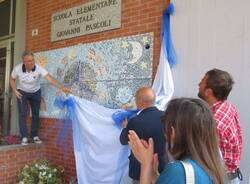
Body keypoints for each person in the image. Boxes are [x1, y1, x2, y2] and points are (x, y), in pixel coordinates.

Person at [128, 98, 226, 184]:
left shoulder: (179, 171)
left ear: (173, 132)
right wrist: (153, 174)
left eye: (164, 121)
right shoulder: (212, 163)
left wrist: (146, 165)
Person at [10, 51, 71, 145]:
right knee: (22, 113)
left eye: (33, 60)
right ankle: (24, 137)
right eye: (29, 61)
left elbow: (50, 79)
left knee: (35, 113)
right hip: (22, 92)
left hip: (35, 92)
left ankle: (34, 136)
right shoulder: (17, 69)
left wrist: (62, 87)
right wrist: (15, 90)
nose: (32, 62)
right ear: (24, 61)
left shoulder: (38, 68)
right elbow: (12, 79)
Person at [198, 69, 243, 183]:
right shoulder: (227, 106)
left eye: (202, 81)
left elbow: (207, 157)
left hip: (221, 179)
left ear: (208, 92)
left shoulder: (213, 122)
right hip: (230, 177)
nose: (198, 84)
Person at [119, 87, 168, 183]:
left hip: (140, 173)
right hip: (163, 170)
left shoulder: (135, 121)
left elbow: (123, 140)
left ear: (139, 101)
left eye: (135, 99)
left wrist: (125, 127)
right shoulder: (167, 117)